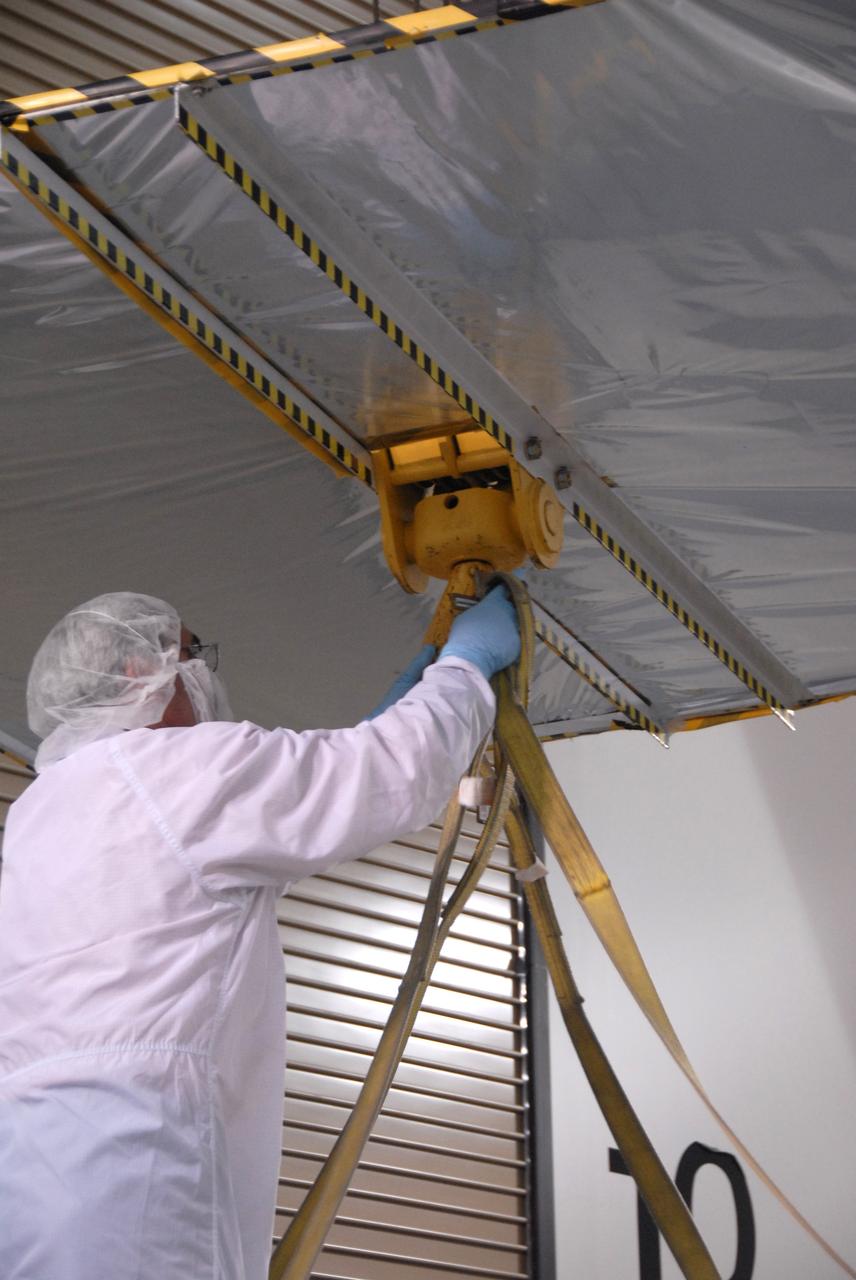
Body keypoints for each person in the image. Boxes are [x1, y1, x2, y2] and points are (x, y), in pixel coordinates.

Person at [0, 587, 520, 1280]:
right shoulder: (179, 769)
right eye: (189, 656)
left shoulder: (42, 814)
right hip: (142, 1171)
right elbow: (392, 774)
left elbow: (231, 871)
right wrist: (464, 666)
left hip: (30, 1181)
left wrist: (388, 721)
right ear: (136, 674)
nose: (203, 677)